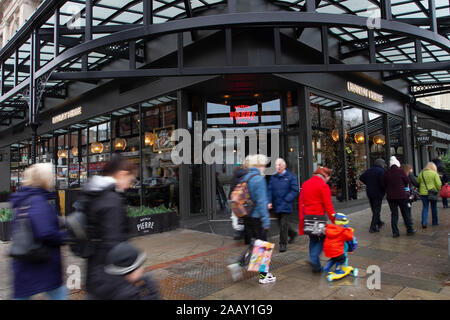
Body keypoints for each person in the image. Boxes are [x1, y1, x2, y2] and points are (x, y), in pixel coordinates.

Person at [80, 154, 138, 299]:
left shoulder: (94, 193)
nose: (129, 185)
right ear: (122, 174)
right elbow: (114, 242)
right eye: (130, 180)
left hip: (94, 270)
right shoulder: (112, 200)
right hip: (109, 276)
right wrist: (130, 269)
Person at [9, 163, 68, 300]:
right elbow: (46, 232)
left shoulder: (22, 198)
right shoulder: (38, 200)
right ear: (45, 179)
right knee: (58, 294)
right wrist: (64, 236)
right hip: (42, 262)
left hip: (24, 260)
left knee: (22, 294)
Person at [227, 154, 275, 284]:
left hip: (247, 216)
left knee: (257, 244)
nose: (265, 168)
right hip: (257, 217)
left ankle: (238, 265)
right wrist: (266, 220)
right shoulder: (259, 179)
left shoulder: (246, 177)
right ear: (259, 165)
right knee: (263, 247)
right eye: (264, 165)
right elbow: (261, 202)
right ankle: (263, 276)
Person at [298, 167, 336, 272]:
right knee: (324, 238)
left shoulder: (305, 184)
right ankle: (313, 258)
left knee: (313, 239)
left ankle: (316, 266)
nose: (328, 179)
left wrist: (302, 218)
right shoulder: (323, 186)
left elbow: (301, 202)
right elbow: (328, 207)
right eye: (329, 177)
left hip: (307, 217)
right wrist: (335, 220)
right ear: (326, 176)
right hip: (318, 218)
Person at [91, 242, 160, 300]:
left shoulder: (100, 279)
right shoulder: (129, 294)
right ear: (129, 272)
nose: (142, 269)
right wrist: (151, 289)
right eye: (139, 267)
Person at [267, 158, 299, 252]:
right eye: (276, 165)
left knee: (283, 225)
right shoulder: (273, 177)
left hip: (286, 205)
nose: (278, 167)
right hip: (277, 205)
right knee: (280, 223)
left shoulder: (291, 177)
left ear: (284, 166)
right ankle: (292, 233)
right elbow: (270, 190)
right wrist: (269, 201)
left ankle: (283, 244)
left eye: (279, 165)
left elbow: (295, 190)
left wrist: (287, 199)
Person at [383, 156, 416, 237]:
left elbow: (383, 184)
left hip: (391, 197)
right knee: (405, 213)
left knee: (394, 214)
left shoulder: (387, 172)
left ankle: (395, 232)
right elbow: (407, 181)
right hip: (401, 195)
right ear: (397, 164)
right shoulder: (401, 171)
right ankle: (409, 229)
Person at [359, 158, 386, 233]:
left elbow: (361, 177)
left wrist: (368, 183)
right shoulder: (381, 171)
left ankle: (378, 221)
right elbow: (383, 182)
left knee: (374, 208)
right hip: (378, 192)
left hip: (369, 192)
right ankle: (373, 226)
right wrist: (384, 189)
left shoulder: (369, 170)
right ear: (381, 164)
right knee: (377, 209)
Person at [417, 162, 442, 228]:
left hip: (423, 193)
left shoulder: (421, 173)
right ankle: (435, 222)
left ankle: (424, 222)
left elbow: (418, 181)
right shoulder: (434, 174)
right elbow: (438, 184)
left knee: (425, 207)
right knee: (434, 207)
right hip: (433, 193)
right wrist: (437, 189)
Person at [228, 164, 249, 240]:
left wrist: (230, 197)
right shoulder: (248, 175)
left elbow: (232, 187)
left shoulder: (235, 175)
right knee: (245, 214)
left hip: (236, 198)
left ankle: (238, 231)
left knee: (236, 215)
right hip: (244, 199)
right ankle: (244, 232)